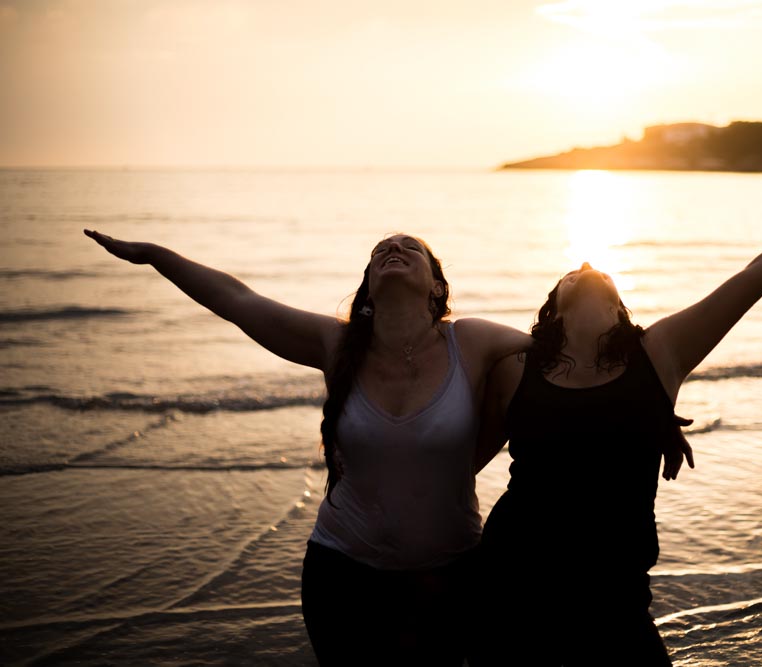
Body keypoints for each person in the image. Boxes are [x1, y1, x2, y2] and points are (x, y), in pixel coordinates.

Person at [471, 184, 762, 666]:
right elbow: (457, 456)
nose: (589, 268)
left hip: (617, 596)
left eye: (599, 273)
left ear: (619, 308)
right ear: (552, 310)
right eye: (573, 273)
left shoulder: (659, 354)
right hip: (513, 585)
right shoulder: (516, 368)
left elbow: (756, 277)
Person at [83, 230, 529, 666]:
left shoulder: (470, 342)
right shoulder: (337, 345)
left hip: (448, 577)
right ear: (368, 290)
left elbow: (557, 351)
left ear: (436, 287)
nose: (392, 248)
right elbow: (238, 300)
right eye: (380, 250)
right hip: (342, 577)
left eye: (410, 246)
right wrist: (154, 255)